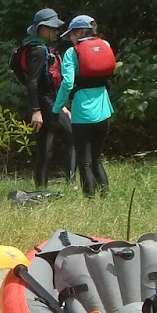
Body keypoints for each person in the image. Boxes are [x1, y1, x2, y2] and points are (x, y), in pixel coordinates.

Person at [50, 14, 115, 198]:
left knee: (84, 162)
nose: (71, 38)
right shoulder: (105, 45)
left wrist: (56, 108)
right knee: (96, 159)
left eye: (72, 34)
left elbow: (67, 84)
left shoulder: (72, 53)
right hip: (104, 111)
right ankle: (106, 197)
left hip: (82, 114)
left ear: (79, 33)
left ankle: (90, 201)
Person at [16, 9, 75, 189]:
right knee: (73, 138)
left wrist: (61, 105)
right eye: (53, 28)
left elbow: (47, 82)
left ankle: (40, 188)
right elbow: (32, 82)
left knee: (44, 148)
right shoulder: (39, 51)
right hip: (45, 103)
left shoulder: (39, 48)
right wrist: (36, 111)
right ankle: (71, 184)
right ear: (42, 29)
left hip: (47, 101)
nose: (57, 31)